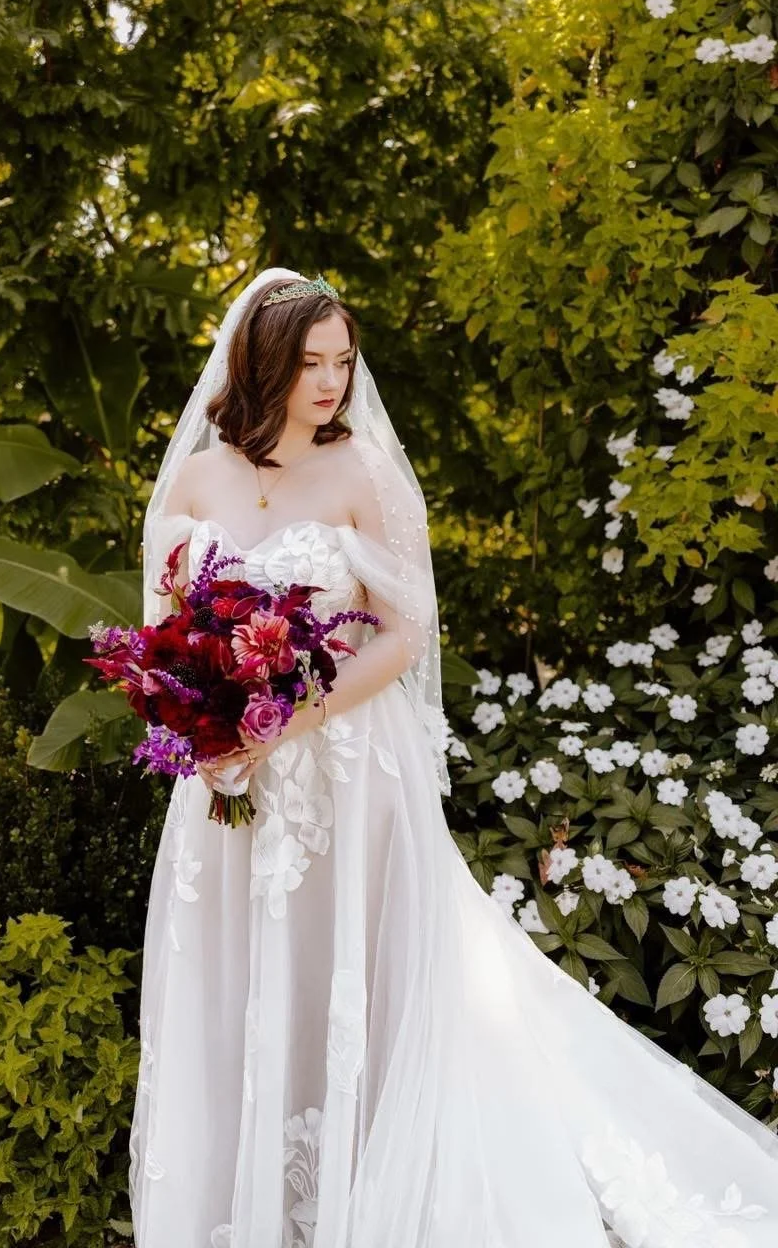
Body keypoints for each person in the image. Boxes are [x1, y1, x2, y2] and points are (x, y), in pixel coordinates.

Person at [130, 268, 778, 1248]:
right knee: (250, 980)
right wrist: (205, 728)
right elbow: (165, 632)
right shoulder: (194, 479)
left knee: (358, 977)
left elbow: (405, 632)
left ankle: (365, 1199)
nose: (330, 383)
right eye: (309, 364)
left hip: (347, 772)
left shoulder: (365, 474)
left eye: (342, 363)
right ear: (258, 365)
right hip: (231, 786)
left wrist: (290, 716)